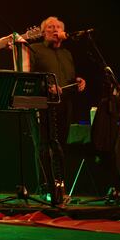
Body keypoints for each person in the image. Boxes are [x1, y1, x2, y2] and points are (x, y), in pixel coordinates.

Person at [27, 16, 86, 198]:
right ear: (43, 32)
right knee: (43, 146)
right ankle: (45, 187)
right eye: (50, 27)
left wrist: (78, 81)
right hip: (42, 105)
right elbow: (28, 77)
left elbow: (68, 79)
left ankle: (60, 187)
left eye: (57, 27)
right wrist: (47, 87)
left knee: (61, 146)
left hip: (63, 106)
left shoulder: (67, 54)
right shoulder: (34, 50)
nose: (54, 30)